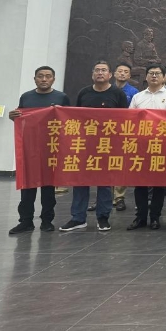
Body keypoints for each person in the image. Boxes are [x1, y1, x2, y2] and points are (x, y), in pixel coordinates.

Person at [59, 61, 129, 232]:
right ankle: (78, 218)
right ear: (92, 74)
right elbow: (76, 117)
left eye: (103, 70)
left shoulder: (117, 93)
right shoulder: (84, 93)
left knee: (104, 182)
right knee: (80, 181)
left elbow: (125, 119)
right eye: (97, 70)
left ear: (110, 75)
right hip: (85, 144)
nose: (100, 73)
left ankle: (103, 217)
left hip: (107, 145)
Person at [8, 66, 71, 235]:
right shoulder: (26, 97)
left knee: (48, 187)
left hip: (51, 147)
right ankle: (26, 221)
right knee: (27, 185)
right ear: (34, 79)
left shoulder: (61, 97)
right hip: (30, 147)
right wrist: (13, 116)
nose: (44, 79)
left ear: (53, 79)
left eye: (48, 76)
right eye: (40, 76)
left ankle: (47, 221)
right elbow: (21, 117)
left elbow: (69, 121)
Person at [127, 64, 166, 231]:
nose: (154, 76)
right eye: (151, 73)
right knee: (140, 183)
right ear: (146, 76)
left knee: (158, 184)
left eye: (157, 73)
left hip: (163, 145)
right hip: (141, 145)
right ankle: (140, 217)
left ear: (165, 77)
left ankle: (155, 217)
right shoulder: (138, 97)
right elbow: (130, 120)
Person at [111, 62, 138, 212]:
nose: (122, 73)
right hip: (107, 132)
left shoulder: (133, 92)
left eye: (125, 72)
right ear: (114, 73)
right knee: (104, 164)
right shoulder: (107, 89)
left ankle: (119, 197)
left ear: (129, 75)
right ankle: (104, 196)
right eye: (119, 71)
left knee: (121, 164)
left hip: (125, 132)